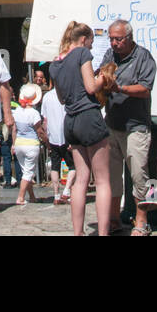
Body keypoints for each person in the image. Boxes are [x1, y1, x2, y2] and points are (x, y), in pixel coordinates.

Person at [49, 21, 113, 236]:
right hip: (89, 116)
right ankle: (103, 233)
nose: (92, 48)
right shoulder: (82, 55)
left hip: (70, 120)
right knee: (103, 180)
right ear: (84, 40)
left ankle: (78, 232)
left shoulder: (55, 64)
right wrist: (104, 76)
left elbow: (60, 97)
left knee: (81, 180)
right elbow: (90, 87)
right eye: (91, 43)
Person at [99, 19, 157, 236]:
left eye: (118, 39)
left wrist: (120, 88)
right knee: (112, 175)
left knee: (139, 173)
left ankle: (141, 221)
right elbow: (102, 74)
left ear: (129, 37)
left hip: (136, 125)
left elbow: (145, 88)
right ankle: (114, 219)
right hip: (113, 123)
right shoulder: (109, 55)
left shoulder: (143, 57)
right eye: (111, 39)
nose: (114, 43)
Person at [39, 76, 71, 205]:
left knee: (55, 166)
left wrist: (46, 139)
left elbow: (45, 121)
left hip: (53, 136)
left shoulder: (47, 97)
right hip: (67, 134)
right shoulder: (68, 94)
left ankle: (56, 194)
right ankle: (67, 191)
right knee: (73, 166)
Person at [11, 83, 43, 205]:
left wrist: (13, 144)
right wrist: (46, 140)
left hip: (19, 143)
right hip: (31, 144)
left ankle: (32, 196)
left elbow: (14, 129)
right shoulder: (34, 113)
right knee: (29, 172)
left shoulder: (17, 111)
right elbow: (39, 130)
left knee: (26, 172)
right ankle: (20, 197)